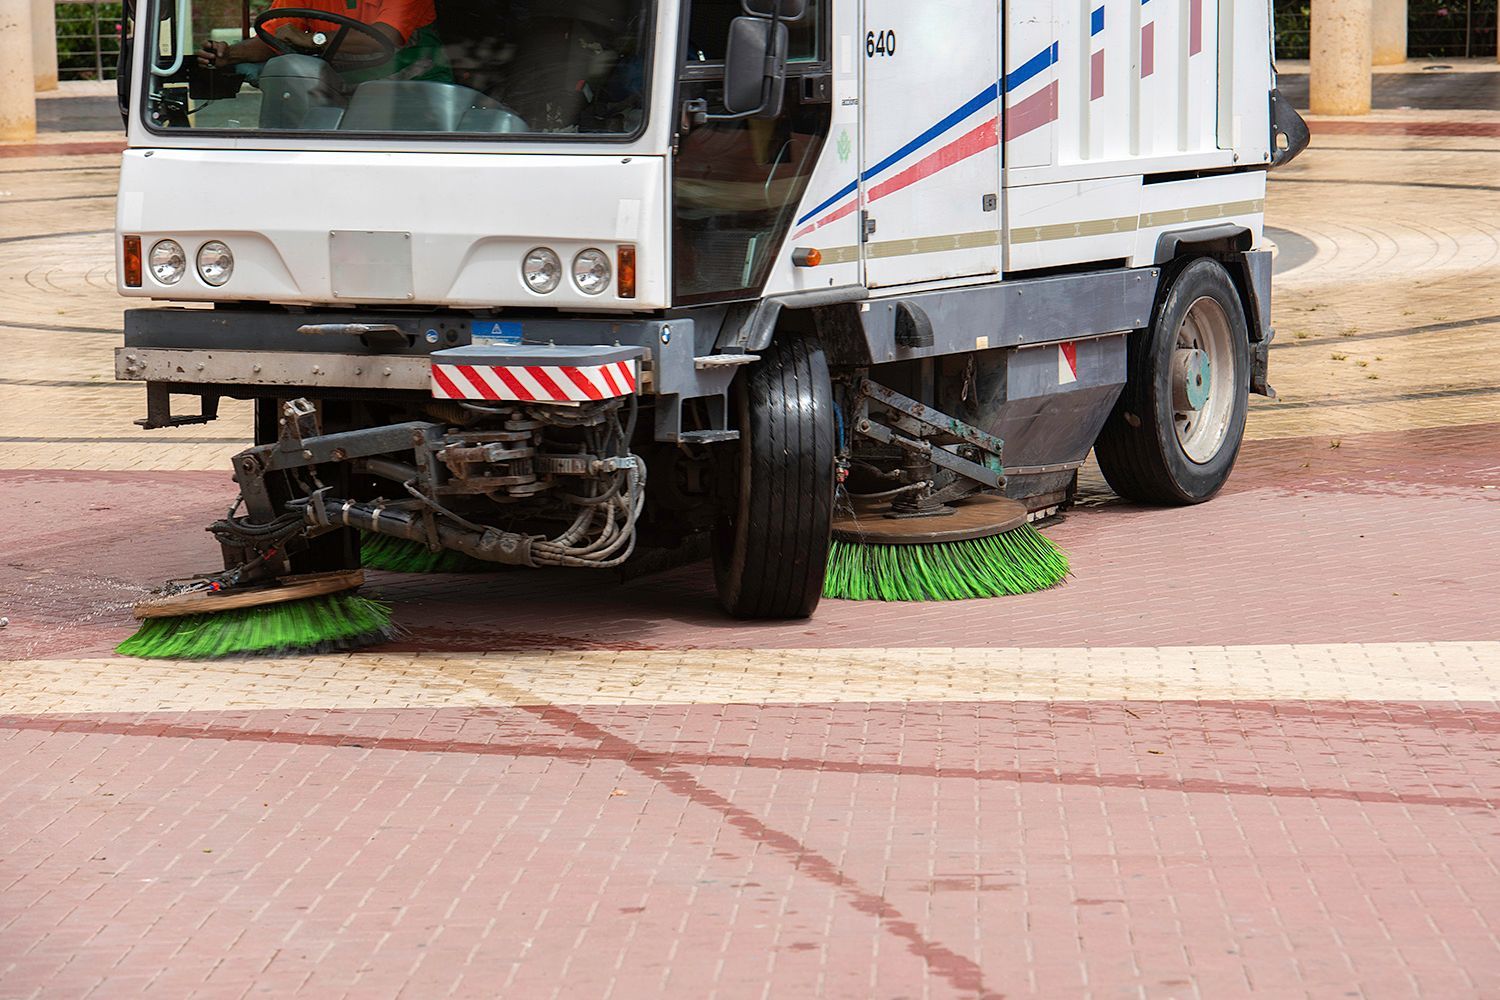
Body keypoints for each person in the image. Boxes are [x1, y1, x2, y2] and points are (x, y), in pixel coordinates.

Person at [198, 0, 451, 84]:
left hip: (414, 95)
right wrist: (229, 54)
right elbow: (273, 37)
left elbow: (383, 38)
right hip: (343, 93)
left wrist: (313, 40)